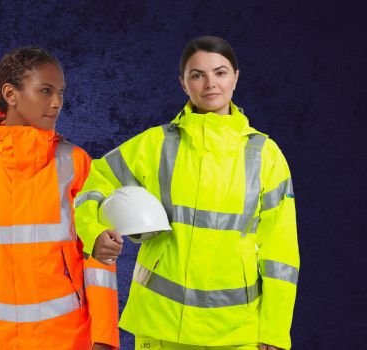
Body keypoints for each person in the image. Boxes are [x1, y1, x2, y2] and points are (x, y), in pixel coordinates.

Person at [75, 36, 298, 350]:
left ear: (236, 76)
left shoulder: (266, 155)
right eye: (197, 75)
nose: (210, 84)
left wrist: (274, 331)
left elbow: (281, 251)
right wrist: (93, 233)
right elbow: (94, 184)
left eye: (220, 73)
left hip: (237, 332)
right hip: (160, 322)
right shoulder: (156, 144)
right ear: (183, 83)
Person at [0, 47, 119, 350]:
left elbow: (97, 258)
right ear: (11, 94)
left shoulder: (76, 163)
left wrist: (104, 340)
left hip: (67, 338)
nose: (57, 102)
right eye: (45, 91)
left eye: (61, 92)